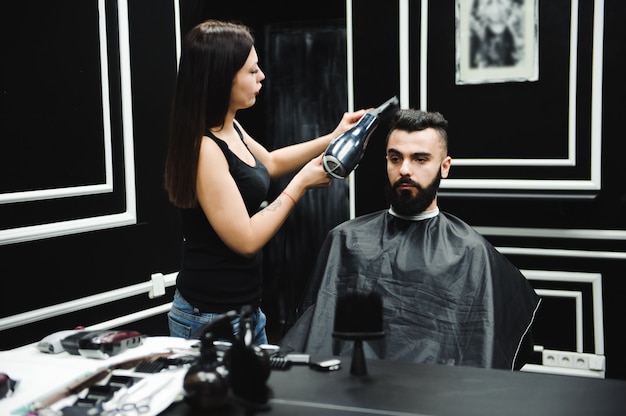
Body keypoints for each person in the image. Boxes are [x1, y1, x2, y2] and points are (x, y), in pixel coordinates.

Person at [280, 109, 541, 370]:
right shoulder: (345, 240)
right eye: (395, 158)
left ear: (444, 166)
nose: (404, 169)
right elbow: (316, 336)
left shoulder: (472, 251)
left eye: (420, 159)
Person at [163, 19, 367, 344]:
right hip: (209, 318)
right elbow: (245, 240)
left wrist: (333, 137)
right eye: (252, 70)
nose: (262, 77)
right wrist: (299, 185)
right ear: (222, 77)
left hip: (246, 310)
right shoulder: (205, 149)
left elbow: (269, 162)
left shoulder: (230, 127)